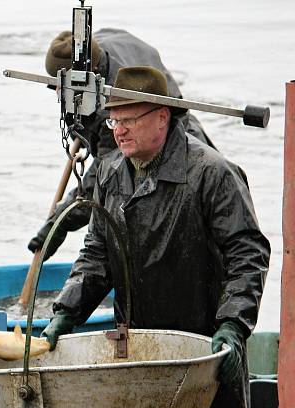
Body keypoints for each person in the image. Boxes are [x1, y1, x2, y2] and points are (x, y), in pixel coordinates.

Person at [41, 66, 271, 408]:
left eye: (129, 118)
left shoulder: (213, 174)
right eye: (112, 120)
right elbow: (97, 254)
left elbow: (249, 255)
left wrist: (233, 325)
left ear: (163, 117)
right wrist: (66, 310)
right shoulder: (109, 173)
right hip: (144, 349)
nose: (118, 129)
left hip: (207, 345)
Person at [28, 28, 215, 259]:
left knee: (178, 235)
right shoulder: (96, 46)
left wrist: (60, 219)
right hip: (146, 132)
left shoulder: (117, 111)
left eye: (62, 89)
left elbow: (105, 177)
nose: (58, 94)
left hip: (173, 140)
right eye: (55, 87)